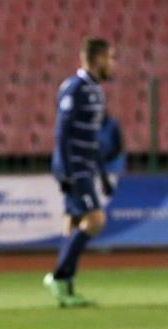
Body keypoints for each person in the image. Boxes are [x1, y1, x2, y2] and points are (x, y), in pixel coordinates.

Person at [44, 37, 116, 308]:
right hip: (74, 166)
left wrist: (104, 174)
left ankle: (66, 290)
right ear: (97, 59)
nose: (113, 64)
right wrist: (66, 170)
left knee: (73, 223)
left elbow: (93, 138)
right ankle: (59, 277)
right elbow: (62, 132)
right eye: (111, 58)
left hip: (85, 165)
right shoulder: (75, 88)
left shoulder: (95, 90)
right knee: (95, 220)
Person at [98, 112, 126, 179]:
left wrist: (106, 158)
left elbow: (118, 146)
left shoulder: (113, 125)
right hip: (98, 163)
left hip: (113, 162)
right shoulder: (92, 125)